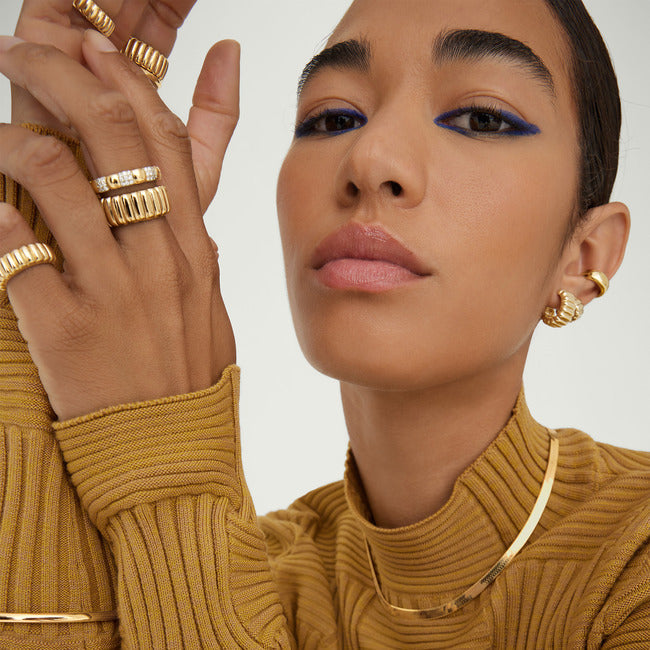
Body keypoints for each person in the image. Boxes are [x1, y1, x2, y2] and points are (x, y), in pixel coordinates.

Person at [0, 0, 648, 648]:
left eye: (481, 117)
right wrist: (46, 251)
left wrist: (168, 459)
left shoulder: (632, 560)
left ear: (585, 257)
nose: (370, 158)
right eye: (335, 117)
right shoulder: (243, 567)